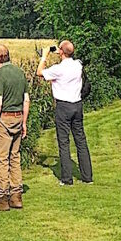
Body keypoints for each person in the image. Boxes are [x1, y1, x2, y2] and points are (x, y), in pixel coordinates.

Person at [37, 40, 93, 185]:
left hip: (63, 107)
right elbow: (70, 57)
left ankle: (67, 178)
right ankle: (87, 176)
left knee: (64, 142)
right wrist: (61, 51)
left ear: (61, 52)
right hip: (77, 105)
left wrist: (44, 56)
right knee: (80, 140)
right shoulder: (78, 65)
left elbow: (39, 72)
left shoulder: (58, 69)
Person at [0, 43, 30, 211]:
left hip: (4, 120)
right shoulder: (20, 73)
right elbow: (26, 99)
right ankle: (16, 196)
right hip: (18, 117)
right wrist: (24, 122)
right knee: (15, 157)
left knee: (1, 159)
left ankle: (1, 199)